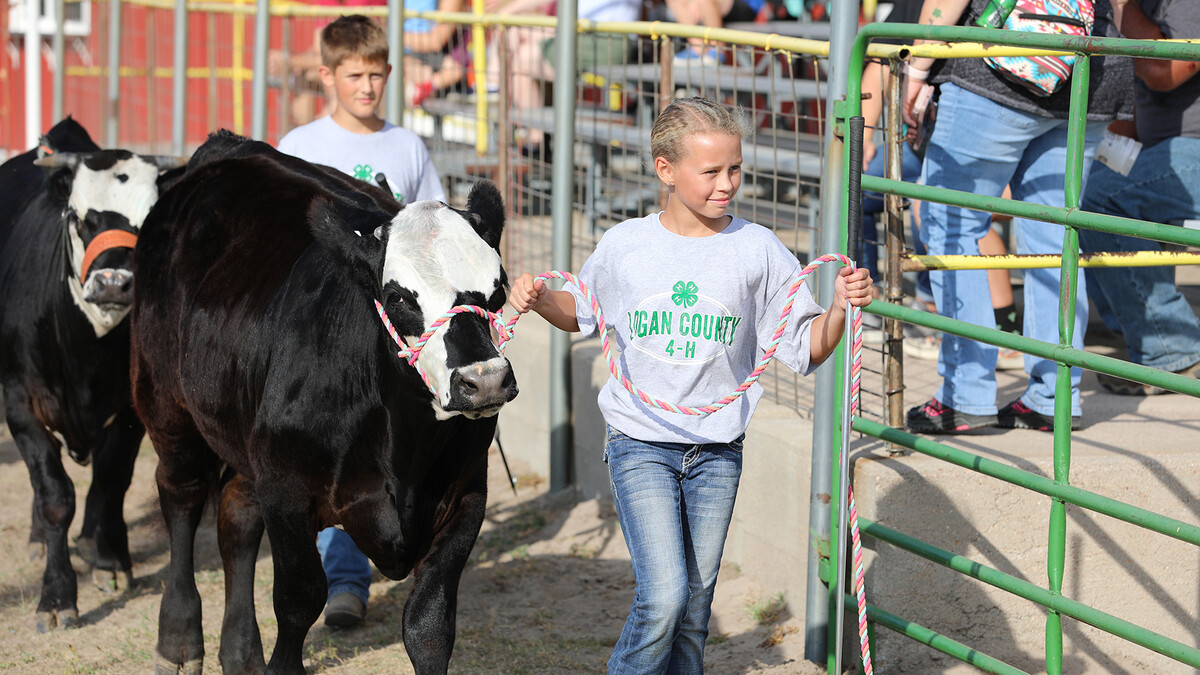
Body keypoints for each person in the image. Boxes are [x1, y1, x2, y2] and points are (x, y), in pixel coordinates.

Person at [508, 97, 874, 673]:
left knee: (696, 606)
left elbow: (805, 346)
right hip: (641, 444)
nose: (726, 184)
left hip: (717, 450)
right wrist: (534, 299)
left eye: (735, 169)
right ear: (665, 169)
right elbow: (579, 309)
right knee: (664, 596)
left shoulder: (759, 250)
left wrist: (838, 310)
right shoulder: (626, 245)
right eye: (710, 172)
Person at [276, 14, 447, 628]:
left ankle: (351, 576)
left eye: (376, 75)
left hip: (385, 334)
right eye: (354, 75)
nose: (367, 87)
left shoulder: (407, 148)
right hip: (317, 331)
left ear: (390, 74)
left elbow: (431, 227)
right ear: (327, 76)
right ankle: (329, 573)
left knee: (375, 446)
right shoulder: (298, 147)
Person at [901, 0, 1132, 433]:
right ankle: (1053, 395)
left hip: (997, 66)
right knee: (1055, 234)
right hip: (1090, 62)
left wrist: (916, 69)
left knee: (952, 226)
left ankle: (964, 393)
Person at [1079, 0, 1200, 395]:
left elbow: (1164, 72)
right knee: (1084, 187)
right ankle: (1146, 332)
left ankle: (1169, 348)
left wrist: (1119, 6)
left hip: (1190, 150)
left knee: (1098, 199)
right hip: (1165, 148)